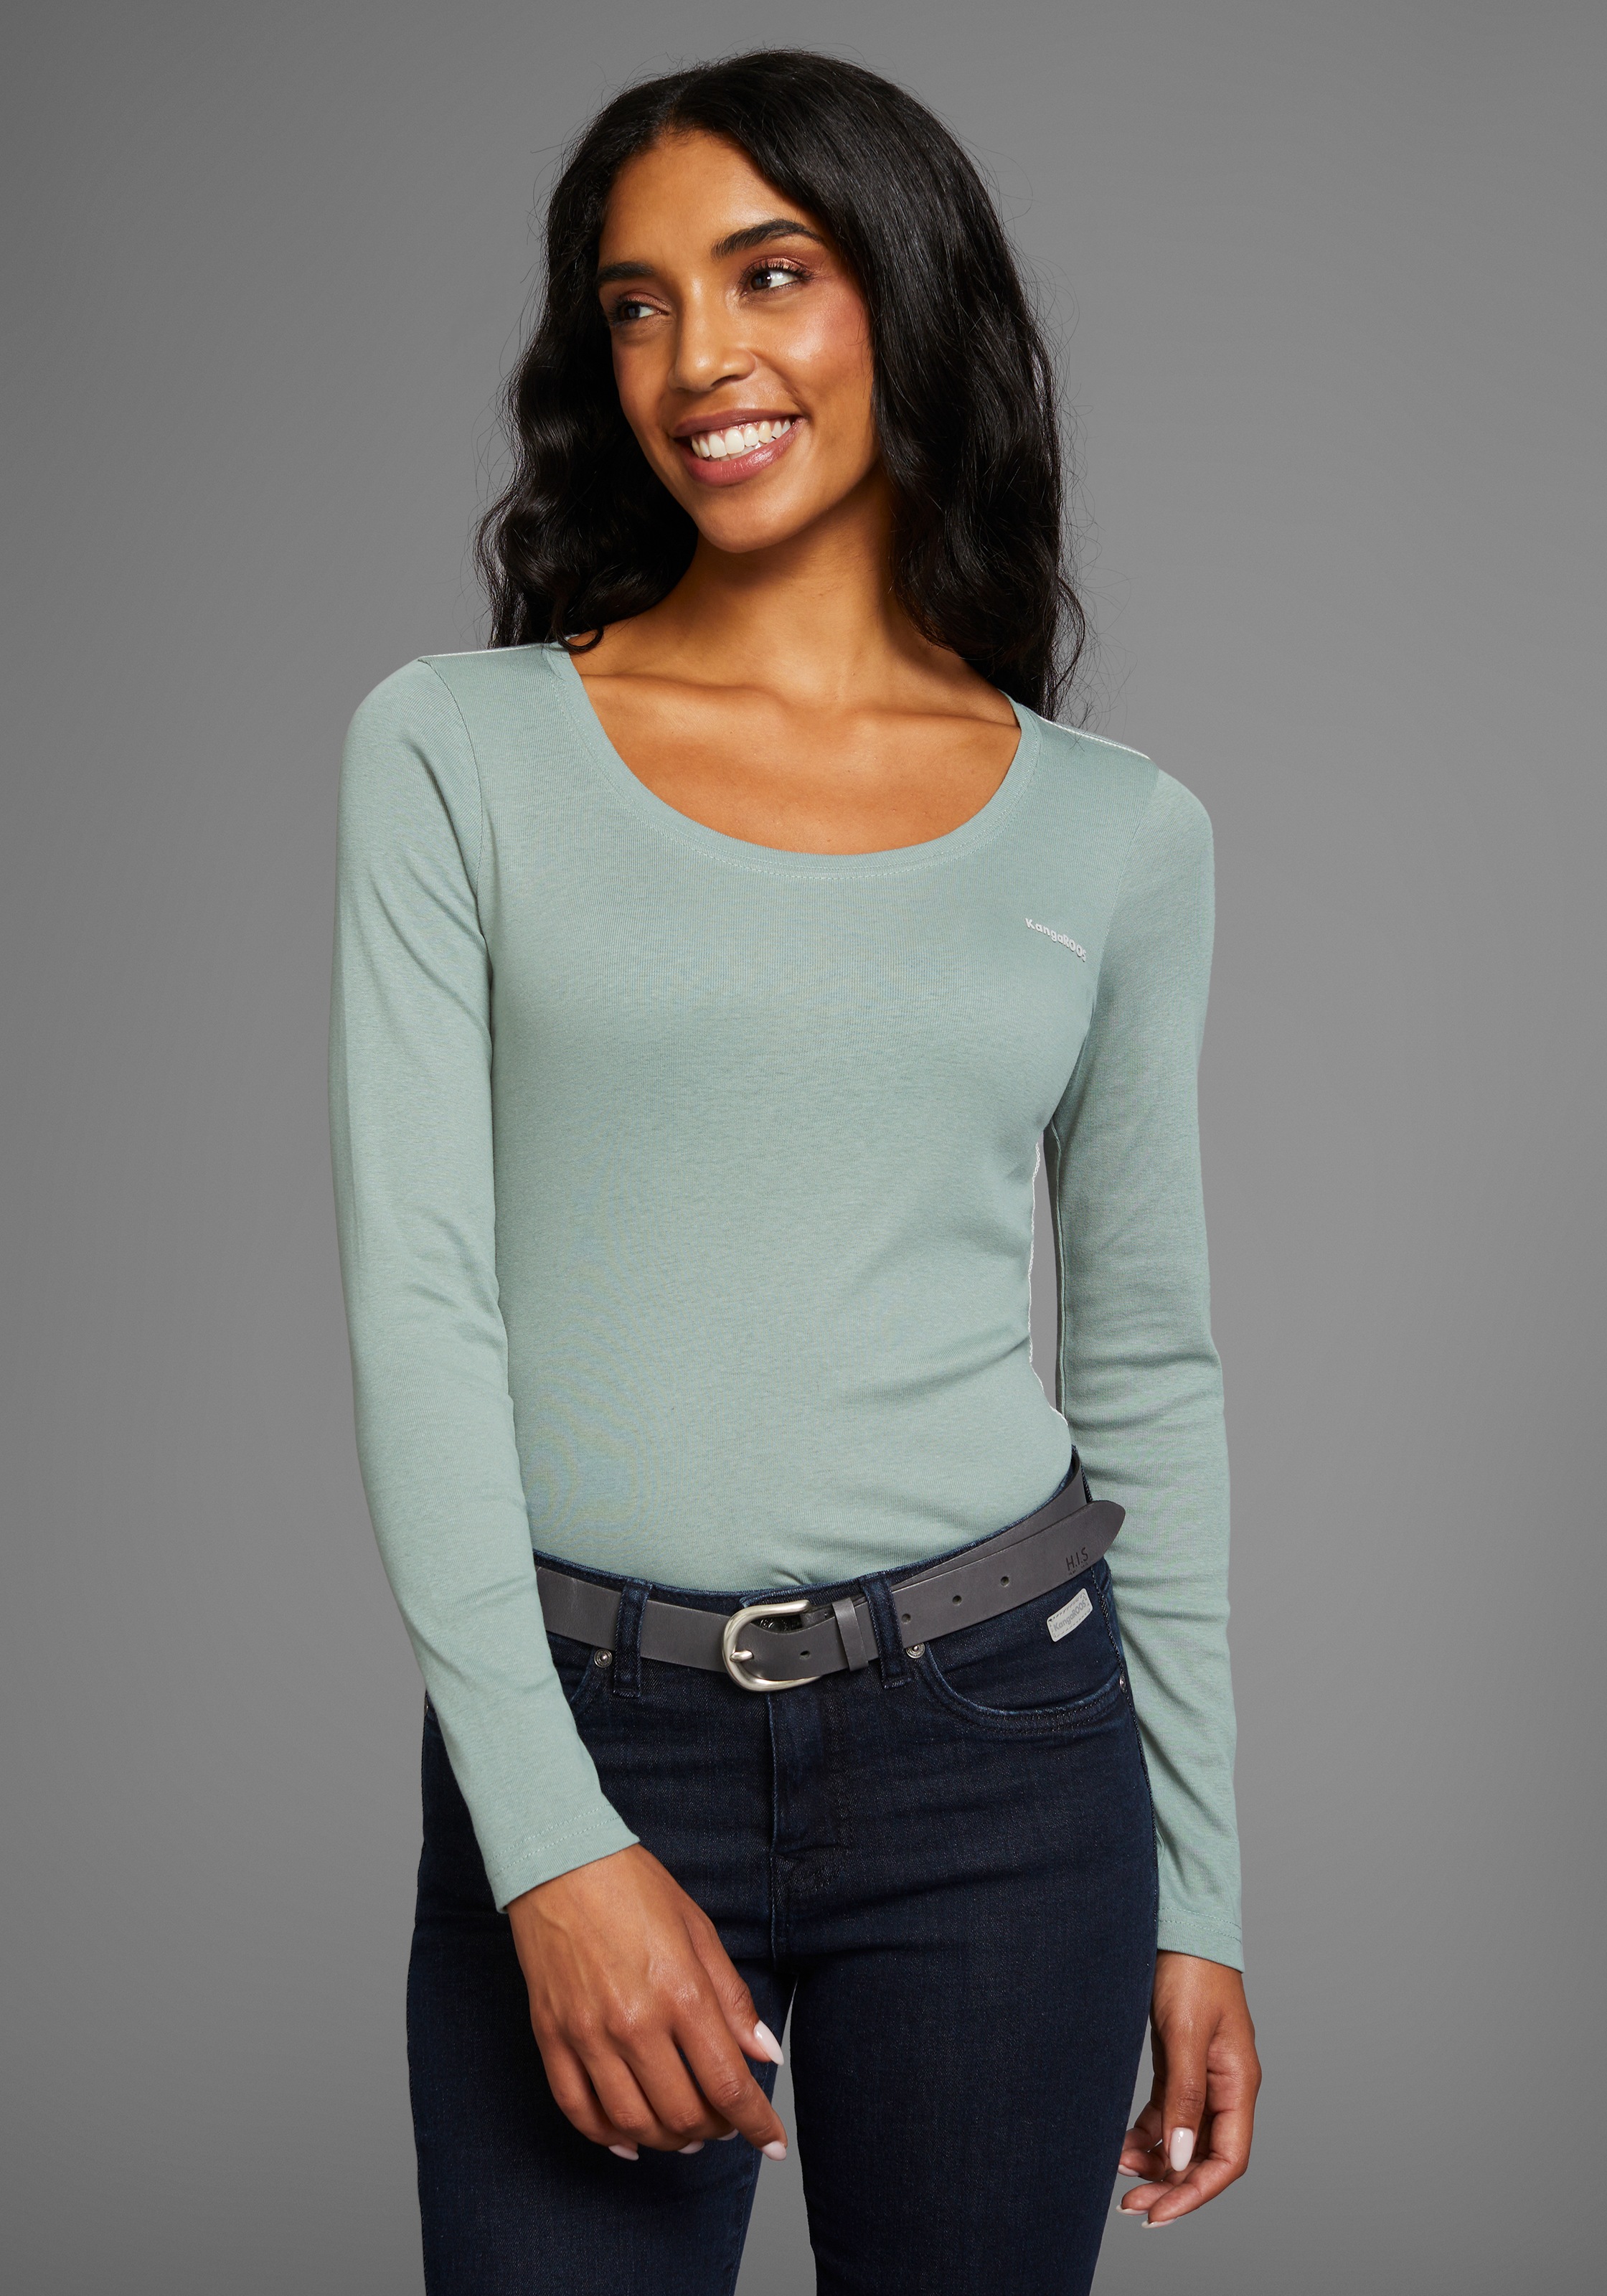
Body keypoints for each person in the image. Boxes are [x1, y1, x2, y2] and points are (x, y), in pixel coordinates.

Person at [328, 47, 1260, 2296]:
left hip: (1004, 1751)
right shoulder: (456, 753)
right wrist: (548, 1843)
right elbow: (423, 1305)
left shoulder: (1118, 833)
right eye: (636, 304)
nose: (698, 360)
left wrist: (1206, 1894)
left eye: (770, 275)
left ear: (907, 301)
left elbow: (1148, 1364)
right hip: (588, 1729)